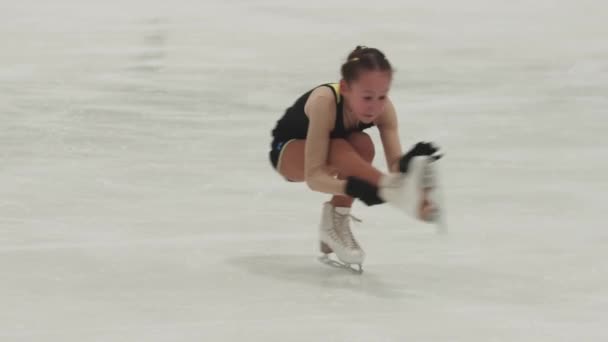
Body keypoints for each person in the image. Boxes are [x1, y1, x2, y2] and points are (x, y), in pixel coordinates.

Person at [268, 45, 442, 270]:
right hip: (288, 152)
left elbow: (395, 167)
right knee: (340, 146)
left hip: (338, 154)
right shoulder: (325, 102)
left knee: (363, 144)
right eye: (367, 97)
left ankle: (336, 220)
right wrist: (355, 188)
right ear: (345, 88)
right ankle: (389, 191)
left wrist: (410, 164)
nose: (375, 106)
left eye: (382, 96)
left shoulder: (383, 110)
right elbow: (314, 177)